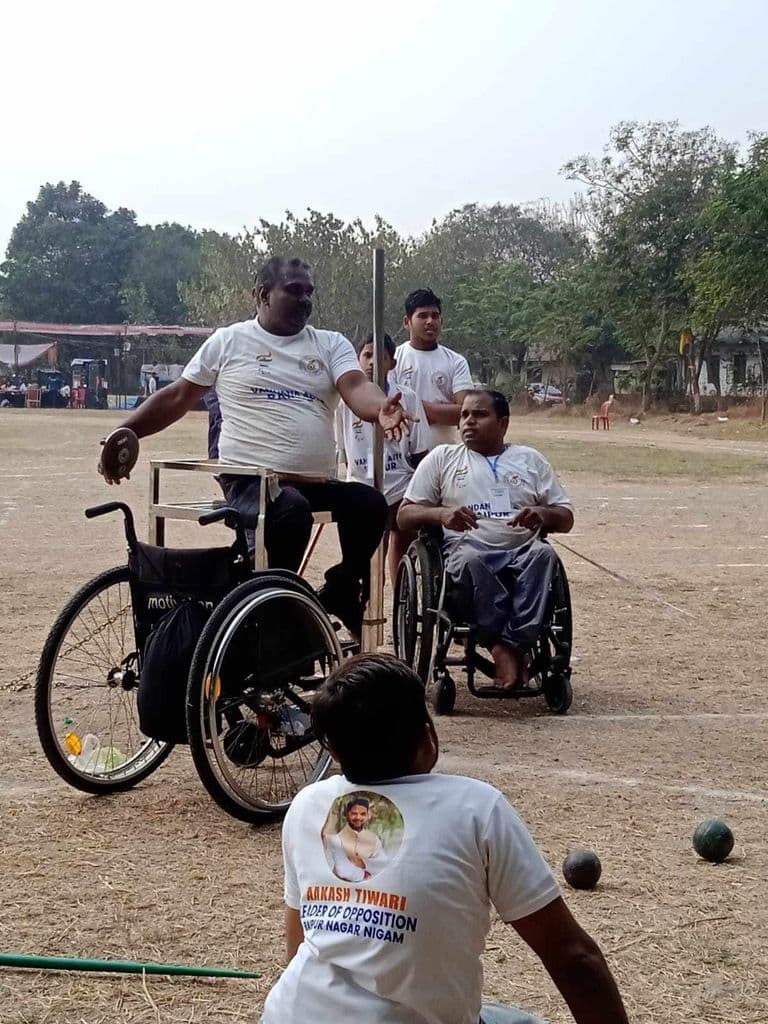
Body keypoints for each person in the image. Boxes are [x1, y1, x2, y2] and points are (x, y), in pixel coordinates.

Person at [262, 653, 629, 1024]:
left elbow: (298, 946)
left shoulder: (308, 805)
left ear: (334, 750)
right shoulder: (476, 809)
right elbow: (575, 958)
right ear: (426, 734)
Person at [99, 256, 411, 635]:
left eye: (309, 293)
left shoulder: (329, 344)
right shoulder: (229, 341)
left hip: (311, 483)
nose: (305, 300)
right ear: (263, 294)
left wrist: (381, 409)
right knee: (288, 511)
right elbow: (178, 396)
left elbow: (357, 387)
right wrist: (126, 432)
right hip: (248, 480)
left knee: (369, 505)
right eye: (294, 291)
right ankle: (274, 614)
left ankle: (341, 588)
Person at [397, 390, 574, 690]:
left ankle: (513, 643)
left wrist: (543, 514)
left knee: (545, 556)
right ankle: (500, 648)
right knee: (471, 561)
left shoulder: (530, 459)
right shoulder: (442, 458)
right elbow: (404, 515)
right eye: (464, 415)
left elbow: (566, 517)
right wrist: (441, 515)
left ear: (503, 423)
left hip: (523, 547)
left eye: (479, 415)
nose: (468, 422)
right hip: (467, 548)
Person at [336, 333, 428, 586]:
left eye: (381, 357)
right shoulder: (343, 403)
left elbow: (419, 449)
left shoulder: (407, 398)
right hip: (362, 487)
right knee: (365, 562)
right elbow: (343, 451)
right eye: (367, 355)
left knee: (401, 548)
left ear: (392, 363)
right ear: (357, 359)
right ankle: (363, 613)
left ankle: (400, 599)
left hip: (399, 488)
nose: (372, 362)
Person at [391, 288, 474, 447]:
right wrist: (443, 409)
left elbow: (466, 413)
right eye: (422, 316)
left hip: (445, 453)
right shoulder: (393, 359)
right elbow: (390, 407)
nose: (430, 321)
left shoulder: (456, 361)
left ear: (441, 321)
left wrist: (412, 406)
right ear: (406, 322)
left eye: (435, 316)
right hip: (402, 456)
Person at [323, 796, 386, 882]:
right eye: (354, 813)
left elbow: (382, 866)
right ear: (347, 814)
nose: (358, 818)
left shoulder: (374, 839)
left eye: (363, 814)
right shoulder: (334, 839)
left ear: (368, 815)